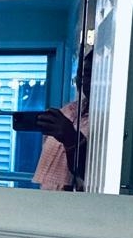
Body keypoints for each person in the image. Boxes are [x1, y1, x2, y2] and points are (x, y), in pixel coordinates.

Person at [30, 49, 91, 191]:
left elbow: (87, 171)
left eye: (87, 74)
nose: (81, 80)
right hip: (48, 195)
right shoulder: (70, 110)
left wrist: (70, 137)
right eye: (79, 74)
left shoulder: (106, 120)